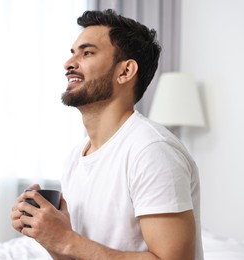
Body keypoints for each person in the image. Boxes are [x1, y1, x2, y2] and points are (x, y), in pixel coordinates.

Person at [11, 9, 204, 260]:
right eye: (73, 53)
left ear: (125, 71)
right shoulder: (75, 158)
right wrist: (48, 235)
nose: (69, 64)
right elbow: (81, 254)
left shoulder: (152, 150)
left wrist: (66, 240)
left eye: (87, 52)